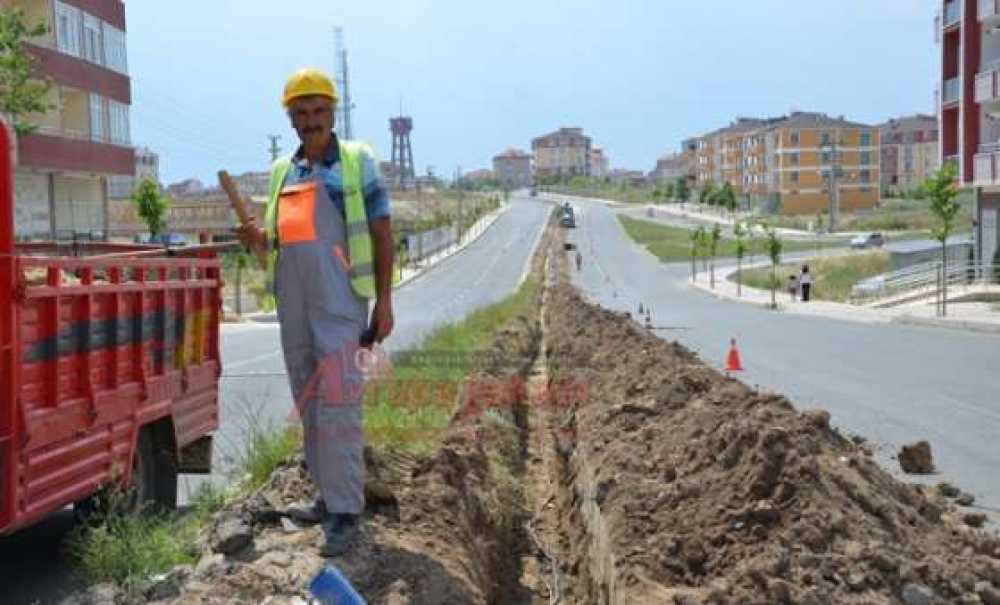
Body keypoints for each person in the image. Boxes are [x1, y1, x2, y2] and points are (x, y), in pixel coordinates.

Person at [237, 68, 394, 557]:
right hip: (295, 303)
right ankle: (327, 498)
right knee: (309, 400)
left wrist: (385, 301)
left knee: (340, 403)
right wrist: (257, 243)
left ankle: (348, 511)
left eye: (318, 112)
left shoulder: (355, 162)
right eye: (301, 113)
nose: (310, 121)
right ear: (291, 119)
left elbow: (382, 231)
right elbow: (277, 249)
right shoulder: (284, 171)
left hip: (341, 300)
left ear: (332, 113)